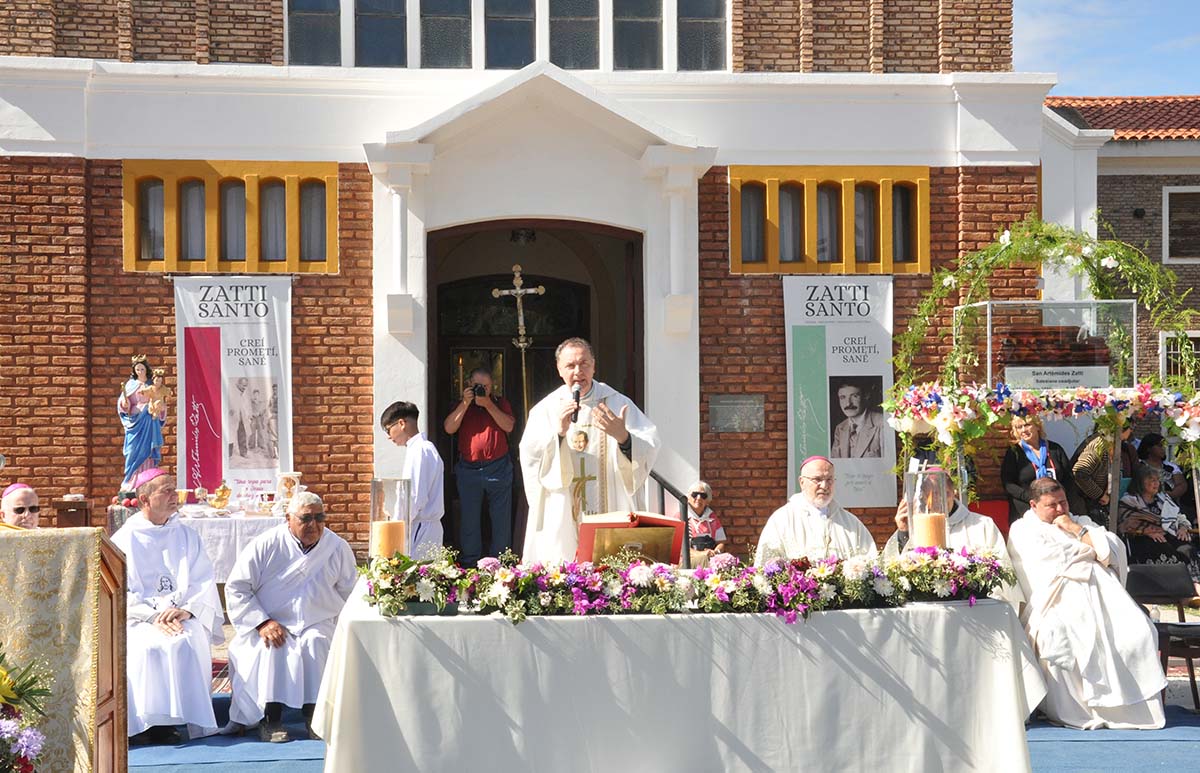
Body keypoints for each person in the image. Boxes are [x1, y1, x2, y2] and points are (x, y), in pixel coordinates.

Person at [1008, 477, 1165, 730]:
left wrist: (1076, 530)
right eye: (1052, 505)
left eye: (1063, 502)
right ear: (1034, 505)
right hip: (1056, 598)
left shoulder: (1082, 522)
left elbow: (1112, 550)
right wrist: (1091, 550)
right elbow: (1048, 561)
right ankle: (1082, 710)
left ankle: (1130, 709)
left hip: (1104, 594)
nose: (1060, 509)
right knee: (1060, 637)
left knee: (1139, 632)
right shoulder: (1023, 529)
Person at [223, 491, 357, 742]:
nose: (313, 525)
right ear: (288, 518)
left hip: (318, 621)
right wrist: (262, 622)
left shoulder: (337, 547)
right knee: (274, 646)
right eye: (306, 518)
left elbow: (350, 592)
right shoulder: (266, 544)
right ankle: (270, 719)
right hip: (270, 621)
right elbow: (237, 587)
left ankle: (316, 718)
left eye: (319, 518)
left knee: (317, 642)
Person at [519, 338, 661, 564]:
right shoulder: (546, 409)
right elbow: (530, 457)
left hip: (611, 504)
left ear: (594, 366)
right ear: (559, 370)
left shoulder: (616, 402)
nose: (578, 371)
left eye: (584, 364)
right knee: (563, 564)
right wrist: (558, 434)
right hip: (564, 509)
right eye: (570, 365)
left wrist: (623, 437)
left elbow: (650, 444)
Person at [110, 467, 224, 744]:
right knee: (149, 647)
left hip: (180, 613)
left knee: (187, 640)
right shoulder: (123, 539)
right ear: (144, 500)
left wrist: (187, 610)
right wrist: (152, 616)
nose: (176, 495)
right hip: (139, 617)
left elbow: (202, 579)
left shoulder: (187, 535)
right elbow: (118, 589)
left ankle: (177, 720)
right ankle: (149, 723)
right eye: (167, 491)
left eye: (174, 489)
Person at [883, 495, 1024, 608]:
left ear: (953, 492)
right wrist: (903, 532)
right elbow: (893, 568)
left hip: (973, 611)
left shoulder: (982, 524)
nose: (937, 499)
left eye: (942, 493)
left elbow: (1001, 569)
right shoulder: (915, 526)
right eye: (930, 495)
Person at [442, 368, 515, 567]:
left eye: (485, 386)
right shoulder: (461, 405)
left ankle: (500, 562)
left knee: (501, 518)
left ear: (492, 387)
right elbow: (449, 428)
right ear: (468, 385)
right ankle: (470, 562)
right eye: (477, 386)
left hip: (498, 467)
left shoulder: (500, 403)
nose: (481, 390)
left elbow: (509, 426)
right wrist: (466, 403)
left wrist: (488, 404)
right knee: (469, 518)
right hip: (469, 469)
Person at [754, 456, 877, 565]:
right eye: (817, 479)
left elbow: (871, 564)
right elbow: (766, 568)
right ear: (802, 482)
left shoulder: (850, 523)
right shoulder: (781, 520)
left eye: (829, 479)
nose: (824, 486)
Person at [1118, 462, 1200, 596]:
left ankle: (1195, 584)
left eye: (1157, 480)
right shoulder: (1130, 501)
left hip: (1168, 534)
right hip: (1142, 539)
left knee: (1187, 548)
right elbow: (1126, 524)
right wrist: (1146, 531)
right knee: (1164, 547)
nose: (1156, 483)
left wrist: (1183, 527)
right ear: (1141, 482)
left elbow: (1178, 516)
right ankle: (1185, 589)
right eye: (1151, 480)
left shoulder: (1163, 498)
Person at [382, 401, 445, 559]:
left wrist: (397, 526)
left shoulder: (420, 450)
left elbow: (414, 497)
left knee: (416, 571)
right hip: (422, 526)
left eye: (388, 429)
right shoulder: (420, 449)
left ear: (401, 423)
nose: (389, 436)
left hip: (419, 526)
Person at [1000, 415, 1084, 523]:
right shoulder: (1013, 453)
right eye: (1019, 427)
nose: (1023, 430)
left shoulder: (1055, 449)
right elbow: (1008, 484)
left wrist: (1060, 499)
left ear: (1037, 426)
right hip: (1027, 509)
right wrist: (1033, 498)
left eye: (1027, 425)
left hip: (1057, 509)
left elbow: (1068, 479)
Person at [118, 353, 167, 490]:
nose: (140, 372)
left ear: (146, 369)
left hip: (150, 420)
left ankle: (147, 481)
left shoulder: (153, 384)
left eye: (142, 369)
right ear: (134, 371)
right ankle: (131, 481)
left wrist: (161, 408)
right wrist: (125, 404)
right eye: (137, 369)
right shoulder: (130, 385)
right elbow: (123, 404)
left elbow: (160, 402)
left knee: (149, 451)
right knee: (132, 450)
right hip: (135, 422)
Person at [1070, 427, 1134, 529]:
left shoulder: (1111, 444)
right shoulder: (1099, 444)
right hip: (1086, 504)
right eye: (1131, 427)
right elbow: (1080, 472)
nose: (1132, 430)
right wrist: (1099, 495)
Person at [830, 382, 883, 458]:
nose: (848, 404)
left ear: (866, 396)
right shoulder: (840, 428)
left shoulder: (882, 423)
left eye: (854, 396)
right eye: (842, 397)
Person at [1137, 432, 1189, 504]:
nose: (1163, 448)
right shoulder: (1139, 465)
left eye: (1164, 446)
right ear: (1148, 448)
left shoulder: (1170, 467)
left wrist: (1171, 495)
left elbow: (1182, 484)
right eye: (1160, 446)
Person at [685, 481, 727, 569]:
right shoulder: (682, 516)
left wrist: (715, 552)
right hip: (688, 562)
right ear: (688, 497)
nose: (699, 498)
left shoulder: (712, 517)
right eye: (695, 494)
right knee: (704, 559)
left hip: (709, 558)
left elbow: (721, 542)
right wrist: (702, 554)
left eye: (703, 495)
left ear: (707, 500)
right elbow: (680, 548)